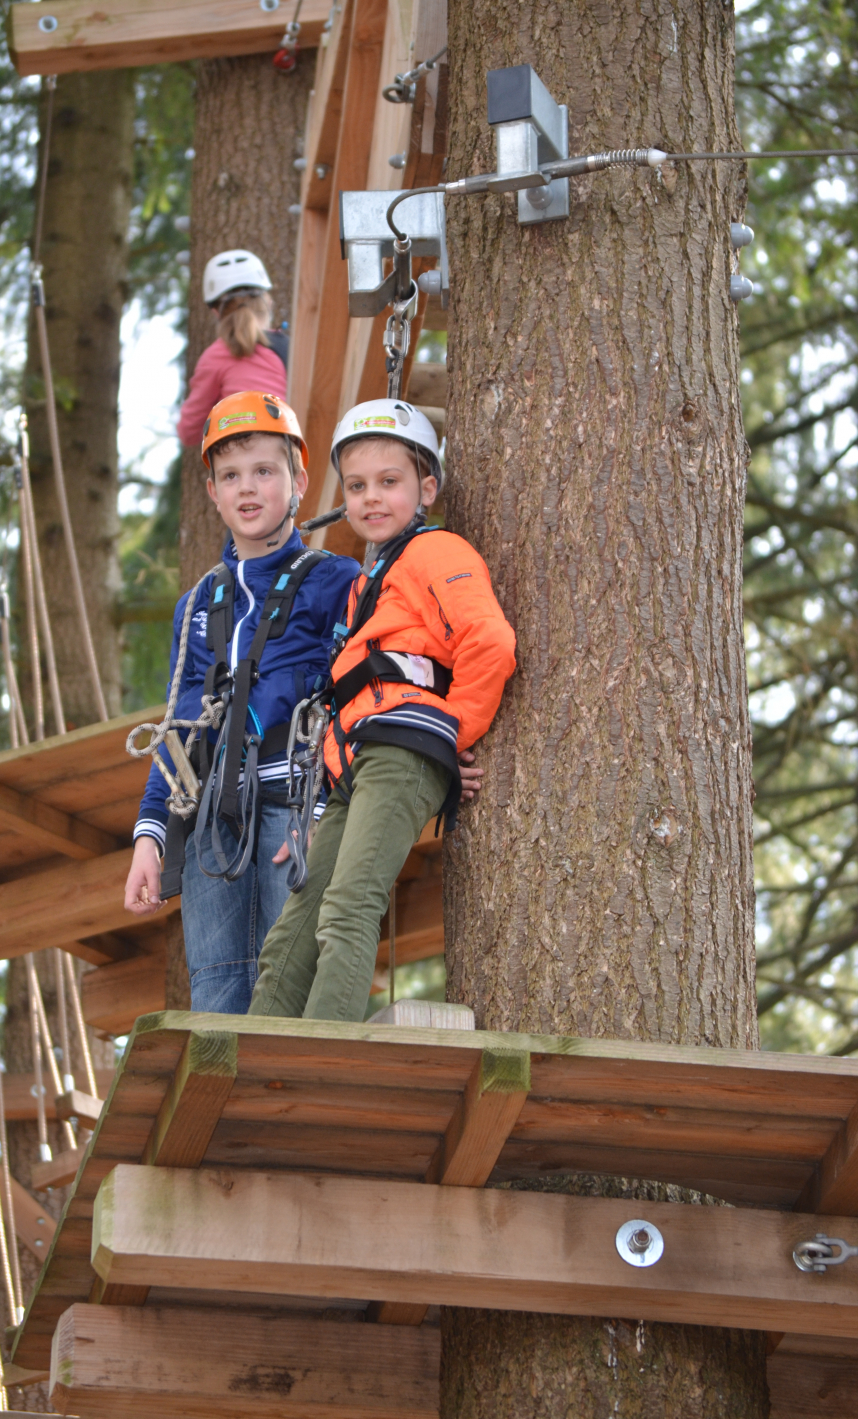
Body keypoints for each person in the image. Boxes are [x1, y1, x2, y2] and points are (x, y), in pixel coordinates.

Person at [248, 399, 516, 1023]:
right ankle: (257, 1049)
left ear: (427, 488)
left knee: (347, 907)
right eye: (357, 486)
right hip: (356, 762)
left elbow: (490, 641)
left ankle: (323, 1055)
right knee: (296, 925)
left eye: (389, 482)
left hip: (399, 752)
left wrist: (449, 735)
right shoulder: (369, 582)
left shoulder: (435, 552)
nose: (371, 498)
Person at [125, 391, 359, 1013]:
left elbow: (360, 701)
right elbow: (178, 731)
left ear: (299, 482)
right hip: (213, 823)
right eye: (230, 475)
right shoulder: (198, 605)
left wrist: (328, 813)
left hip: (298, 806)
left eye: (264, 471)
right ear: (212, 491)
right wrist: (150, 837)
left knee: (290, 985)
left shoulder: (335, 580)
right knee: (218, 994)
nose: (247, 488)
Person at [176, 250, 288, 448]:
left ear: (215, 312)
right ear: (268, 302)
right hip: (293, 451)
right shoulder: (290, 348)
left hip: (240, 457)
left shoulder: (216, 356)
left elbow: (189, 431)